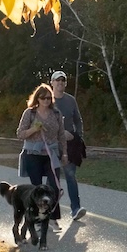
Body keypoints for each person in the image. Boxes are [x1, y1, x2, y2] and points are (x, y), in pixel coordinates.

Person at [16, 83, 68, 232]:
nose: (46, 101)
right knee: (37, 189)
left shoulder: (56, 114)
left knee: (54, 187)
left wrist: (64, 153)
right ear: (37, 98)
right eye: (43, 98)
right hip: (33, 155)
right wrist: (34, 129)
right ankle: (37, 218)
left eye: (49, 98)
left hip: (51, 155)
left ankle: (53, 218)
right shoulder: (30, 113)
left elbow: (61, 135)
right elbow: (20, 134)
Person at [50, 70, 87, 220]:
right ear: (52, 83)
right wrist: (60, 133)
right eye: (57, 80)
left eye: (63, 80)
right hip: (52, 146)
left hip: (69, 145)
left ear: (65, 83)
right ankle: (50, 213)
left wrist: (77, 135)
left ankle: (76, 209)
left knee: (71, 175)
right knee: (53, 180)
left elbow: (78, 119)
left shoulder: (71, 100)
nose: (60, 83)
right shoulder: (47, 100)